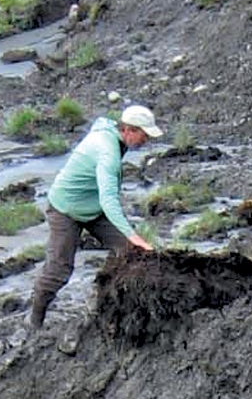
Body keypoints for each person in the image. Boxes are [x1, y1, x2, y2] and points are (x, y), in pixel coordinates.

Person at [29, 103, 163, 328]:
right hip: (65, 210)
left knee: (131, 253)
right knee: (59, 270)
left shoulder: (112, 132)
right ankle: (34, 322)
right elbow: (109, 201)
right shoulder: (108, 152)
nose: (145, 141)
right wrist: (134, 235)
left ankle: (111, 304)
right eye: (143, 135)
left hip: (92, 208)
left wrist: (132, 242)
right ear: (128, 130)